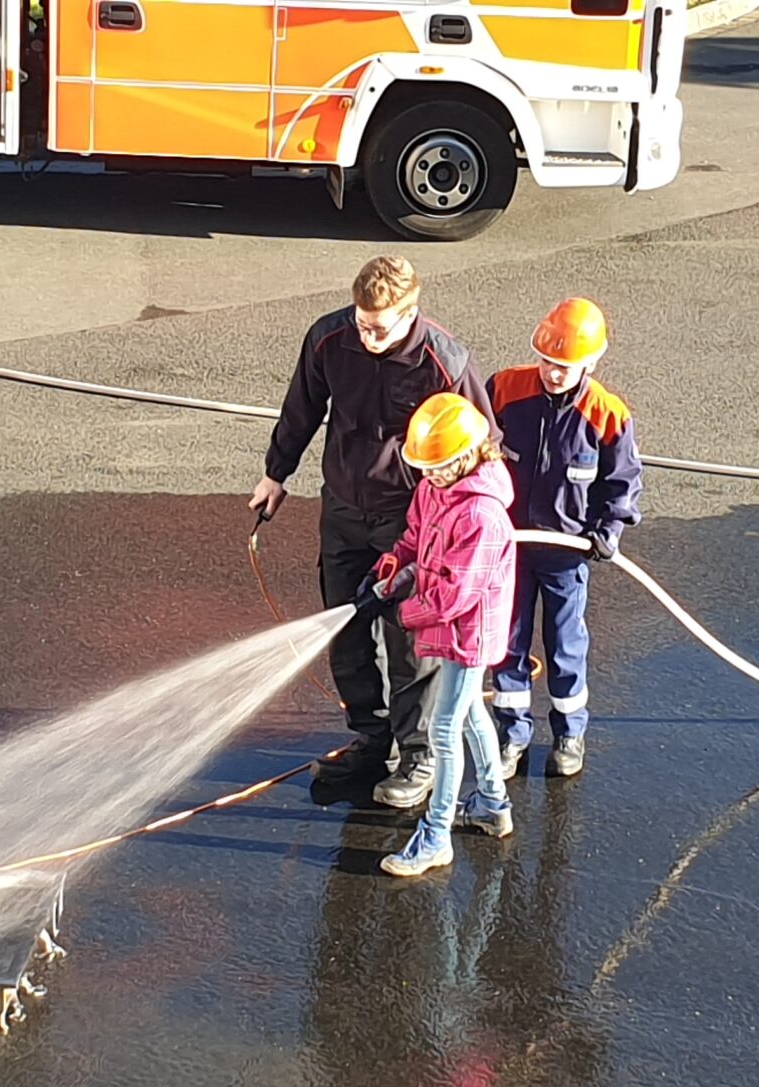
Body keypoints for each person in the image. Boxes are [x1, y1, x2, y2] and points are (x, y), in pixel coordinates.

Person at [255, 256, 490, 808]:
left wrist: (466, 521)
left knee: (411, 641)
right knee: (347, 631)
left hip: (412, 519)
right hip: (342, 508)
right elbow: (302, 408)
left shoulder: (446, 362)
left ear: (411, 313)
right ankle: (372, 736)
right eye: (363, 323)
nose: (369, 336)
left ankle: (419, 754)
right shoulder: (329, 339)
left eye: (380, 327)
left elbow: (483, 444)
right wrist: (275, 474)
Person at [488, 297, 642, 780]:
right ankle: (511, 734)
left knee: (564, 645)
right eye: (549, 362)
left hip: (565, 552)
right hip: (508, 547)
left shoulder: (607, 415)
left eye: (567, 366)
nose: (554, 374)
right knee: (506, 643)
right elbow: (476, 451)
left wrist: (608, 531)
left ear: (591, 364)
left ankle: (569, 733)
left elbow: (623, 481)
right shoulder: (504, 390)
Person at [363, 392, 516, 876]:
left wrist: (401, 610)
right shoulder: (434, 489)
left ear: (469, 455)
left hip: (468, 634)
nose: (428, 475)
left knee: (445, 729)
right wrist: (394, 567)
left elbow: (455, 596)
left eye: (440, 466)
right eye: (425, 467)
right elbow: (414, 537)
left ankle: (435, 837)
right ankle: (492, 805)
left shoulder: (481, 515)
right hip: (448, 627)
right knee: (469, 715)